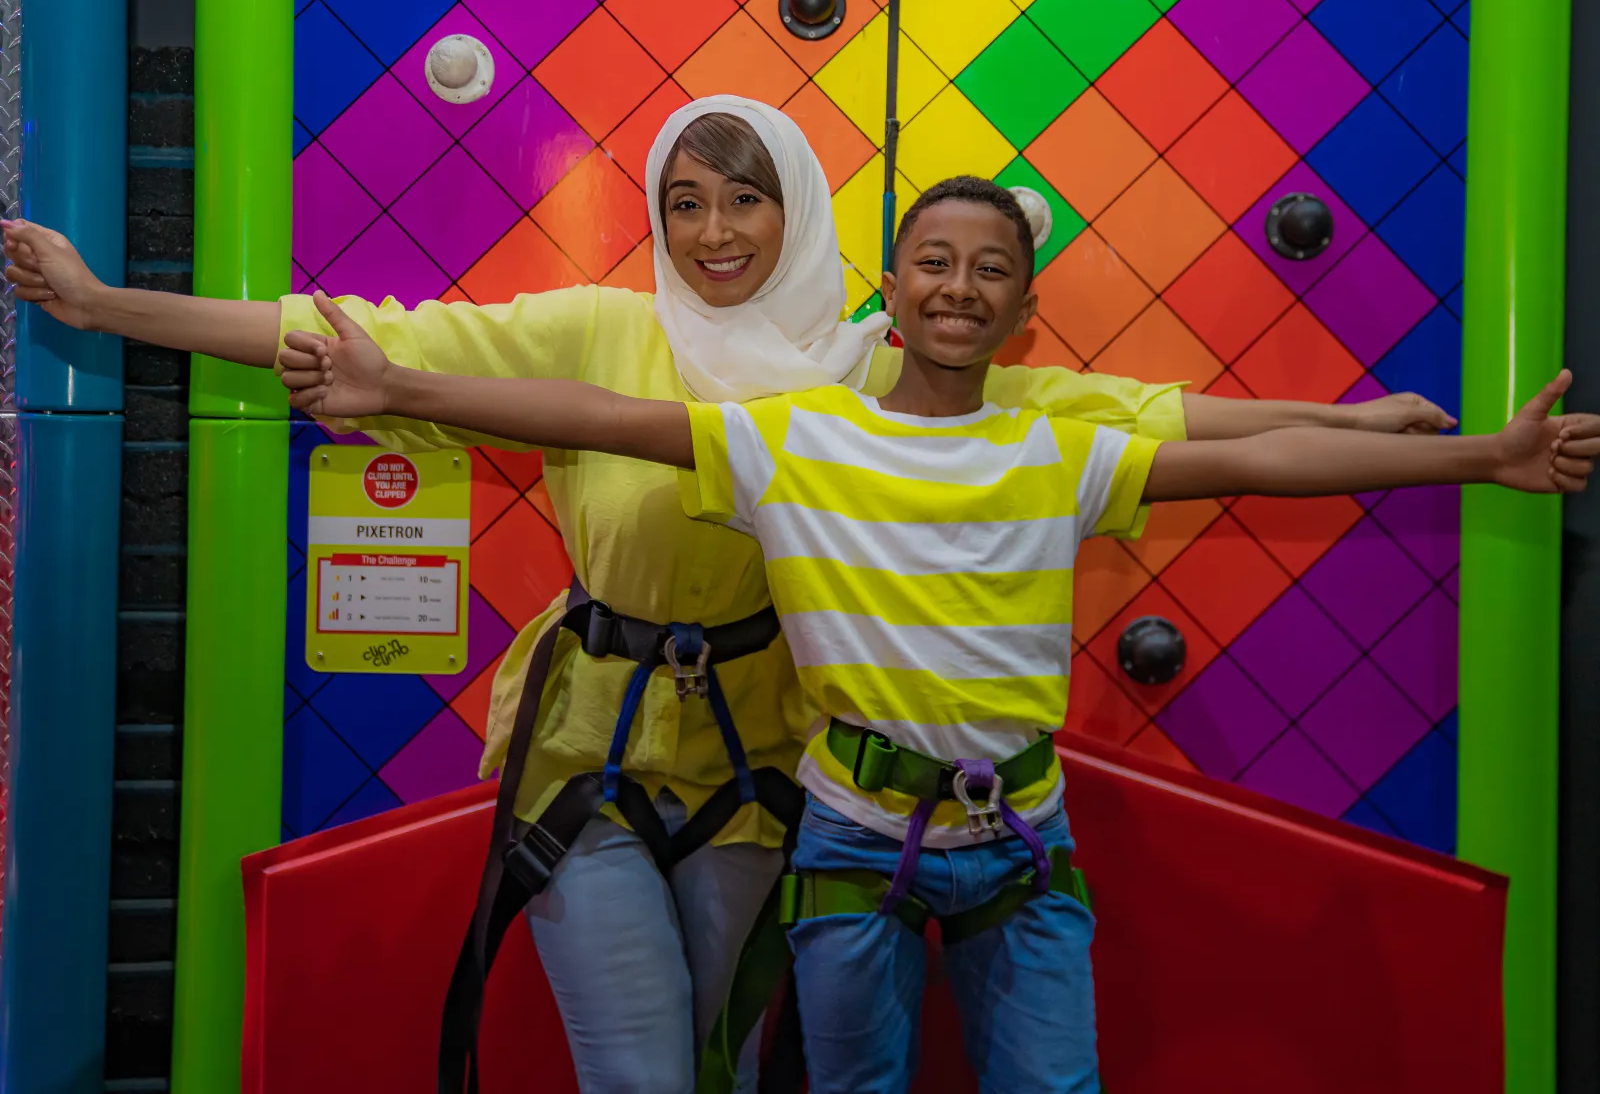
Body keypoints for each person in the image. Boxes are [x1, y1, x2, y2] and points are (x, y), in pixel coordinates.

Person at [3, 100, 1459, 1092]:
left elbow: (1140, 415)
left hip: (781, 762)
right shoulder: (595, 328)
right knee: (639, 1071)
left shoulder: (866, 368)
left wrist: (1375, 426)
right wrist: (104, 304)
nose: (713, 230)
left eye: (744, 198)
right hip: (591, 745)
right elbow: (343, 335)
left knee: (727, 1057)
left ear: (799, 209)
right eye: (684, 201)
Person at [273, 173, 1594, 1093]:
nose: (962, 290)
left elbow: (1259, 463)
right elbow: (590, 420)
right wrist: (396, 384)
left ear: (1024, 311)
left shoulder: (1051, 449)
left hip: (1023, 838)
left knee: (1052, 1081)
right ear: (889, 292)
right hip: (851, 832)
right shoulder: (803, 438)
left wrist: (1484, 457)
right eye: (936, 265)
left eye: (993, 274)